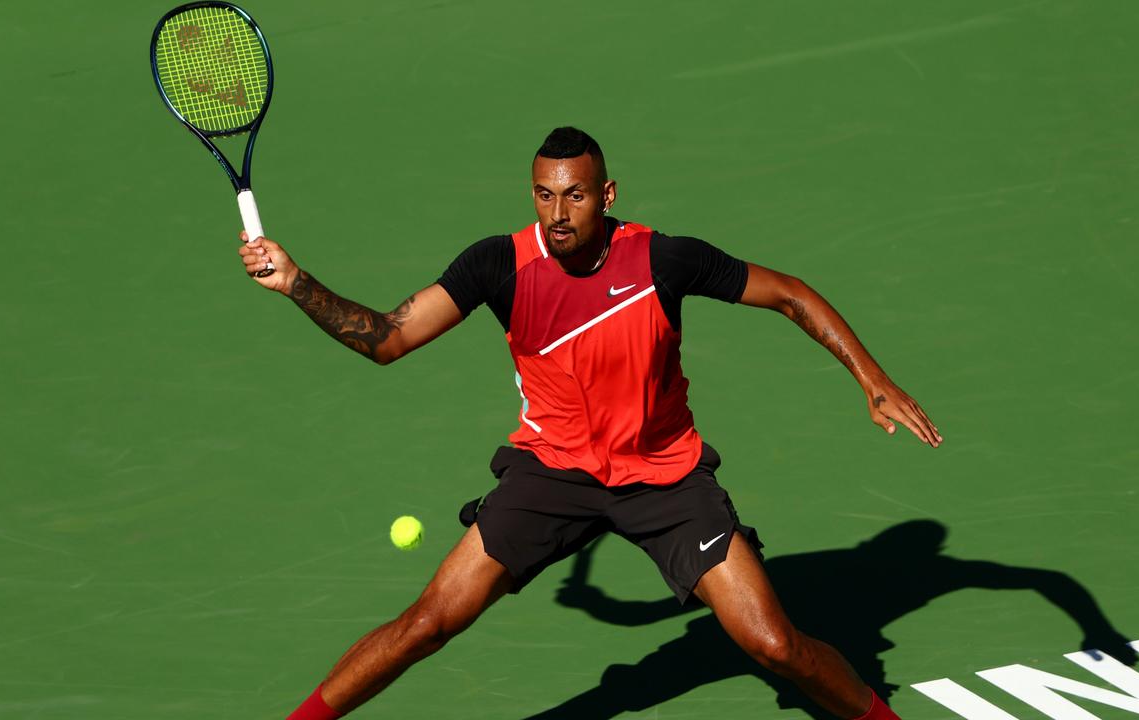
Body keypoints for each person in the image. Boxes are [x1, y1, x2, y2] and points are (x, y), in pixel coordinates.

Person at [239, 127, 943, 720]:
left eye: (574, 195)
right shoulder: (499, 265)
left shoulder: (662, 259)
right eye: (544, 195)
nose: (558, 213)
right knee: (428, 623)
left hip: (665, 477)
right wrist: (297, 281)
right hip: (552, 472)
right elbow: (388, 338)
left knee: (776, 647)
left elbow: (788, 294)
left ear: (606, 196)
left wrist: (872, 379)